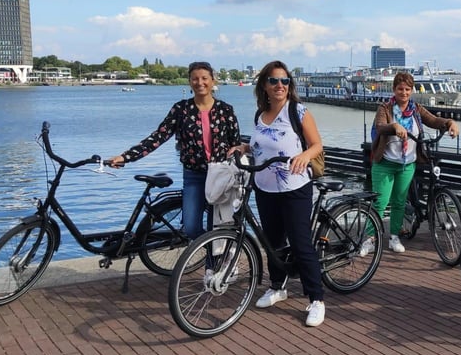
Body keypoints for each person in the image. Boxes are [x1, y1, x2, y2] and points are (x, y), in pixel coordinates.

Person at [231, 60, 327, 327]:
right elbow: (260, 145)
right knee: (272, 241)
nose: (280, 86)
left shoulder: (298, 111)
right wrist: (243, 147)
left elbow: (317, 144)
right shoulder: (260, 114)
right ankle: (277, 286)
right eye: (274, 81)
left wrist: (305, 155)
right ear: (264, 84)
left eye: (285, 81)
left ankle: (316, 299)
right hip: (264, 186)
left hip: (294, 186)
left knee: (300, 243)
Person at [110, 61, 240, 241]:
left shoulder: (225, 110)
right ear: (189, 82)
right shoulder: (181, 109)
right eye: (195, 79)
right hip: (194, 175)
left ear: (212, 81)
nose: (199, 83)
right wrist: (126, 157)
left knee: (217, 227)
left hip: (220, 176)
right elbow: (158, 137)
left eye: (204, 78)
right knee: (191, 227)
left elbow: (236, 143)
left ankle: (214, 267)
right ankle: (208, 252)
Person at [362, 72, 459, 254]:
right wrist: (395, 126)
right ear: (394, 89)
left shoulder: (416, 109)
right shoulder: (385, 108)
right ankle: (370, 238)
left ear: (412, 90)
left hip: (407, 163)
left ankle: (394, 237)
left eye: (407, 89)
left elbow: (433, 120)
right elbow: (381, 126)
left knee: (399, 202)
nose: (404, 93)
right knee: (380, 203)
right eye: (400, 89)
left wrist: (449, 123)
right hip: (386, 162)